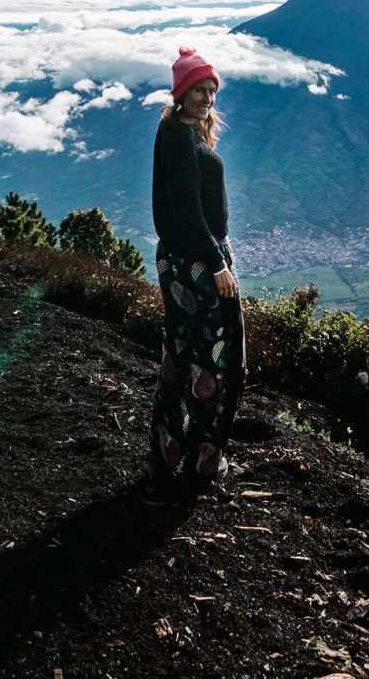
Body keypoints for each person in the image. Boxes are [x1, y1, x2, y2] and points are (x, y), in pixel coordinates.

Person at [149, 47, 245, 494]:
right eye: (200, 89)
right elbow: (189, 212)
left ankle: (169, 445)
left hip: (177, 260)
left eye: (212, 90)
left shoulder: (172, 131)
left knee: (179, 351)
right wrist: (218, 263)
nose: (207, 97)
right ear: (182, 92)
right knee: (218, 358)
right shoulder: (182, 138)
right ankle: (207, 458)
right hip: (200, 263)